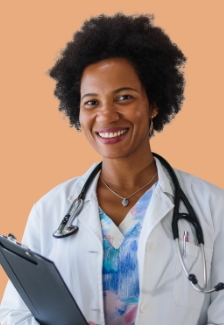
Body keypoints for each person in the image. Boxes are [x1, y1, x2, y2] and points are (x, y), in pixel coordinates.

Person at [0, 13, 224, 325]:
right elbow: (14, 315)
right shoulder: (50, 210)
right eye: (91, 102)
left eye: (124, 97)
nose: (107, 115)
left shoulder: (214, 208)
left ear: (154, 103)